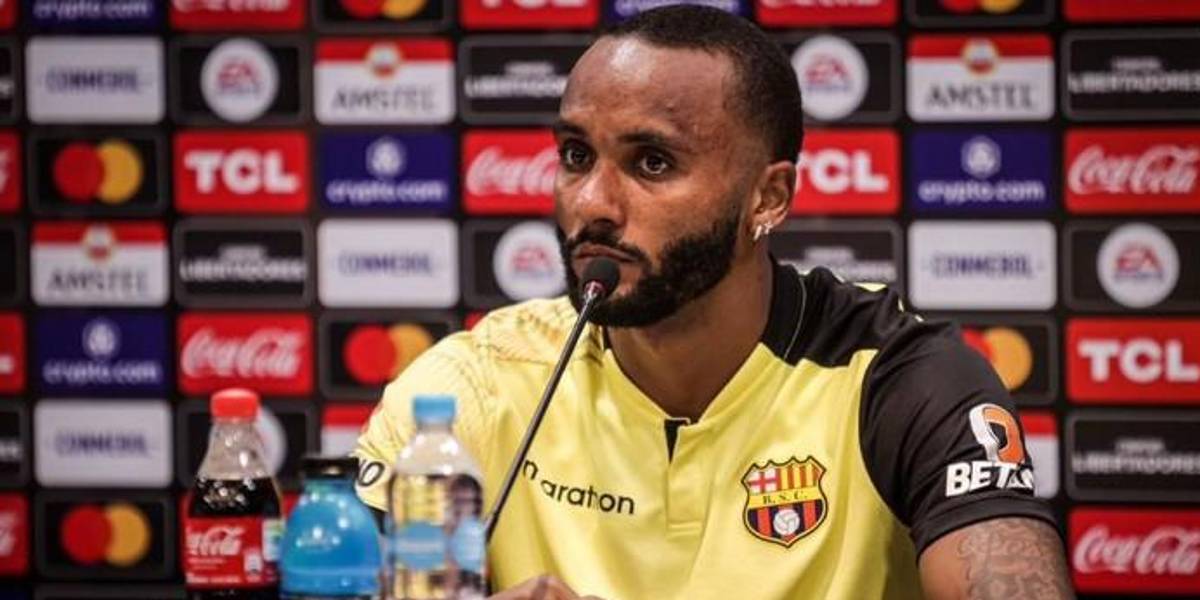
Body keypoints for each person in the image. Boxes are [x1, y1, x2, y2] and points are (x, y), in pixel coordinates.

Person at [354, 6, 1074, 599]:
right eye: (576, 156)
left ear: (769, 198)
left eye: (652, 162)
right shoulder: (473, 387)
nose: (593, 203)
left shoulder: (898, 377)